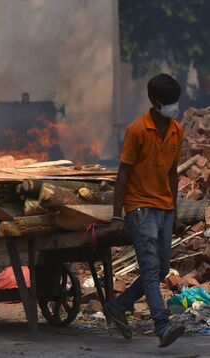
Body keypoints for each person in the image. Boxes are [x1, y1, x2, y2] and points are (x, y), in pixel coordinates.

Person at [106, 73, 185, 348]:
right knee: (151, 268)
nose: (175, 106)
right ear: (154, 101)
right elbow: (123, 175)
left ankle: (120, 305)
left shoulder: (177, 129)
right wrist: (118, 216)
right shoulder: (137, 130)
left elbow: (173, 173)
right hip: (139, 208)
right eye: (170, 102)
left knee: (162, 268)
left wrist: (174, 210)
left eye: (176, 101)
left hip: (164, 208)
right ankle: (161, 325)